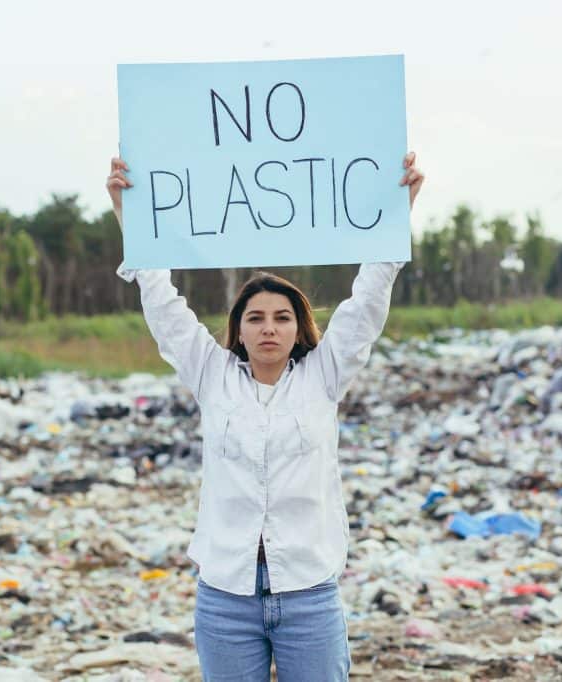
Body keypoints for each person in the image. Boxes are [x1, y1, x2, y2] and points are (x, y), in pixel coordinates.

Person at [106, 153, 424, 681]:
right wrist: (131, 219)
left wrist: (396, 214)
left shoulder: (324, 377)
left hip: (308, 594)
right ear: (239, 327)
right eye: (256, 318)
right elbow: (162, 304)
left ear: (300, 328)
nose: (269, 328)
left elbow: (367, 302)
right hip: (226, 597)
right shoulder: (212, 374)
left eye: (282, 317)